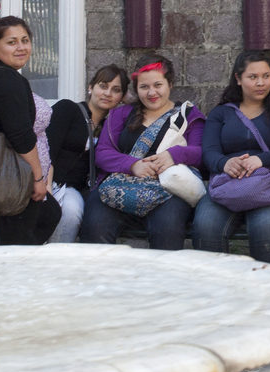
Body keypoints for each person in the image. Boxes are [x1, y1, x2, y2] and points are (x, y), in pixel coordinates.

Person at [81, 55, 205, 250]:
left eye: (158, 85)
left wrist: (174, 155)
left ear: (170, 84)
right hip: (118, 185)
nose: (151, 93)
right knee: (95, 224)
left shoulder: (188, 115)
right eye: (144, 87)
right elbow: (103, 152)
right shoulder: (120, 114)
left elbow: (199, 152)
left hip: (167, 191)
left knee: (167, 228)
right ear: (136, 89)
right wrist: (132, 165)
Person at [193, 50, 270, 263]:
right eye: (253, 77)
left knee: (265, 227)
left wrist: (262, 160)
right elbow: (209, 151)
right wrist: (225, 163)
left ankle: (267, 291)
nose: (261, 82)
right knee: (206, 225)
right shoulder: (221, 113)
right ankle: (219, 291)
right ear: (238, 79)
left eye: (266, 76)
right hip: (229, 183)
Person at [0, 17, 62, 246]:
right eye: (11, 42)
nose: (21, 47)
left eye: (25, 40)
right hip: (11, 176)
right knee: (14, 243)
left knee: (48, 214)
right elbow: (21, 137)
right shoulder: (7, 78)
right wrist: (38, 178)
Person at [45, 64, 128, 243]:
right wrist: (46, 191)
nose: (108, 93)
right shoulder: (68, 109)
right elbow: (46, 151)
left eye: (116, 90)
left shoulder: (113, 127)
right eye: (103, 86)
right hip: (53, 184)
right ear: (91, 87)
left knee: (76, 212)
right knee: (69, 211)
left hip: (80, 191)